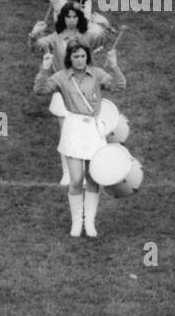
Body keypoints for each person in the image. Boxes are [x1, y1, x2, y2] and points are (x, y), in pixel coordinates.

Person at [33, 41, 126, 238]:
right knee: (76, 179)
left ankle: (89, 222)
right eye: (75, 56)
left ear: (87, 57)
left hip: (93, 129)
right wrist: (44, 68)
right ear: (69, 58)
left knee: (93, 179)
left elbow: (119, 86)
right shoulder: (61, 77)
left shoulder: (98, 74)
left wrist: (114, 65)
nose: (80, 60)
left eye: (83, 56)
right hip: (73, 128)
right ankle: (77, 221)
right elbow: (40, 90)